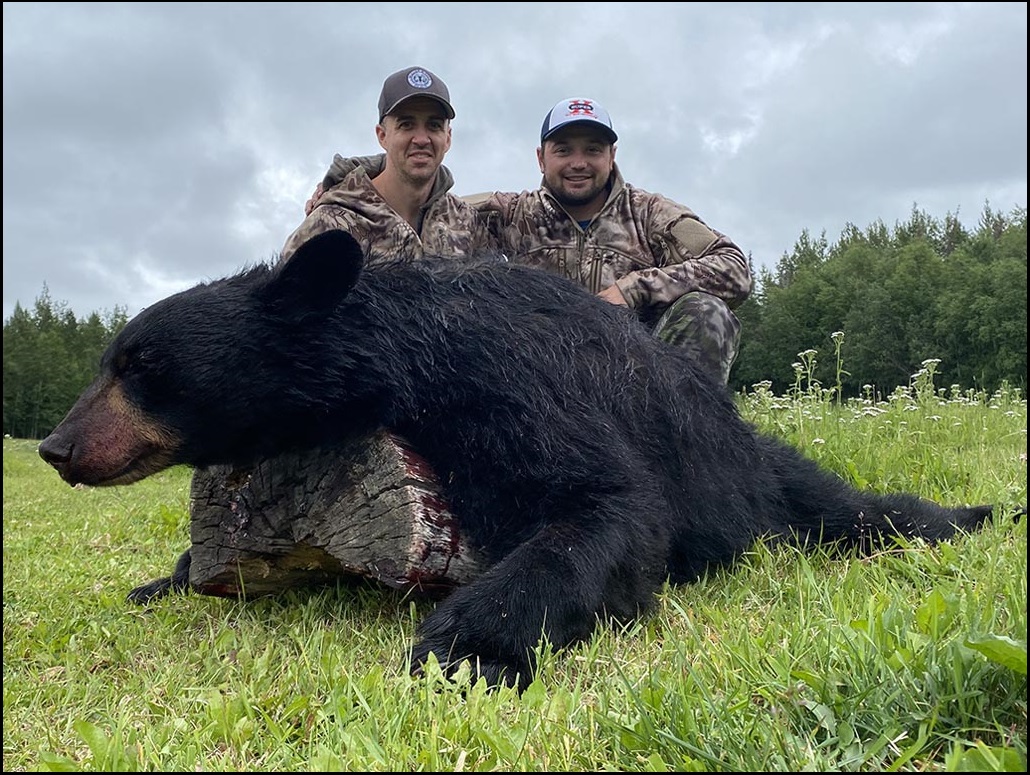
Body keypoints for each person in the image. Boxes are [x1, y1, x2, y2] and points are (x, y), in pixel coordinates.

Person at [306, 97, 752, 385]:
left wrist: (633, 290)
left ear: (612, 156)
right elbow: (422, 186)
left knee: (706, 313)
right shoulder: (510, 212)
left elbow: (734, 268)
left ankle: (692, 457)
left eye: (592, 149)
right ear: (541, 158)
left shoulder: (652, 213)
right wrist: (346, 178)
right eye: (564, 150)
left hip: (641, 372)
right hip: (551, 377)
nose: (578, 163)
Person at [281, 65, 488, 263]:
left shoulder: (466, 222)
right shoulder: (330, 224)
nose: (422, 139)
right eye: (406, 125)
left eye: (434, 126)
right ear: (382, 136)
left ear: (448, 138)